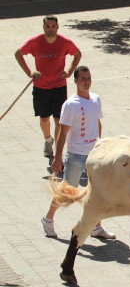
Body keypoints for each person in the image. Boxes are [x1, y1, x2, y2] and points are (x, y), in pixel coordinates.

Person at [41, 65, 115, 239]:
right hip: (75, 155)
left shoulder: (96, 99)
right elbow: (62, 132)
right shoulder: (70, 105)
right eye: (82, 79)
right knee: (67, 190)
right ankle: (48, 219)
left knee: (97, 191)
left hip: (94, 155)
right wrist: (58, 157)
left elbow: (97, 123)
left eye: (88, 78)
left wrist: (100, 144)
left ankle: (96, 226)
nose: (86, 82)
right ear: (75, 81)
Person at [15, 15, 82, 157]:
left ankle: (58, 153)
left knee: (59, 120)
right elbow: (18, 54)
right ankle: (48, 140)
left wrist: (69, 71)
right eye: (47, 26)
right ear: (43, 27)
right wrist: (29, 72)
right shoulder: (35, 42)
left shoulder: (65, 42)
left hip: (59, 86)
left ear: (58, 27)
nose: (50, 29)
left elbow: (77, 54)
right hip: (41, 86)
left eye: (53, 26)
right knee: (44, 119)